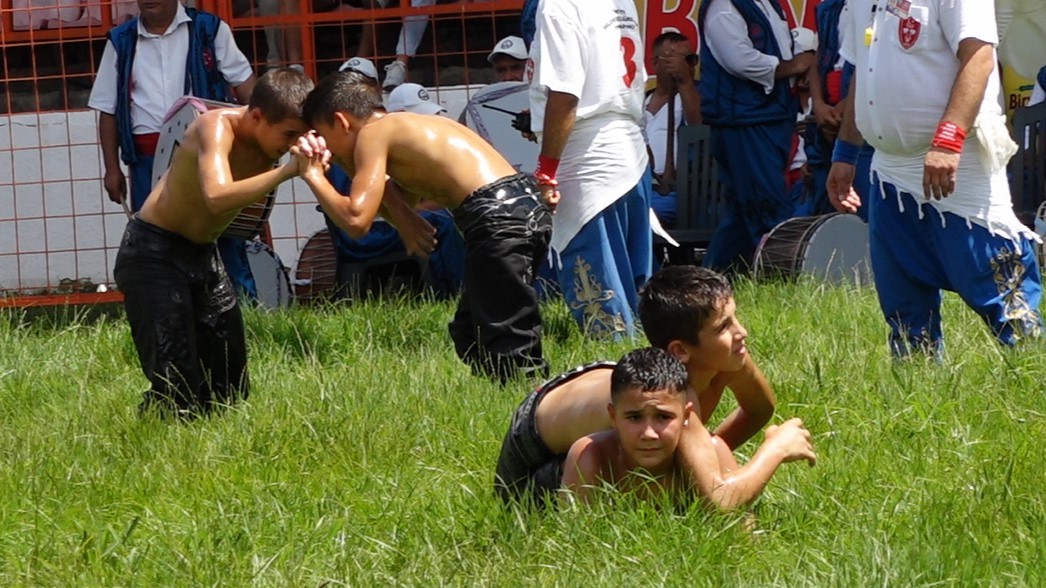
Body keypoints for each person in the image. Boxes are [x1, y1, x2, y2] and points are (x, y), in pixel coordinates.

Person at [294, 73, 553, 382]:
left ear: (341, 122)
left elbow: (356, 221)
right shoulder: (407, 129)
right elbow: (404, 205)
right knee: (471, 332)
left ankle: (537, 409)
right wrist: (402, 217)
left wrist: (312, 175)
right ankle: (504, 397)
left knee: (508, 340)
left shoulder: (373, 134)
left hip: (498, 218)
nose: (328, 150)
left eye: (323, 136)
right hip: (519, 207)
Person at [827, 0, 1043, 358]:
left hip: (960, 165)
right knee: (903, 300)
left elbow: (979, 57)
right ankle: (917, 383)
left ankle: (1034, 375)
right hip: (890, 172)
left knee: (1003, 294)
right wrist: (845, 153)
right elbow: (861, 76)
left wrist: (948, 139)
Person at [494, 265, 805, 508]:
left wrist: (702, 462)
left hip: (591, 402)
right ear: (680, 351)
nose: (741, 332)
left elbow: (759, 409)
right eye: (724, 326)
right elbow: (720, 500)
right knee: (522, 504)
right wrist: (774, 449)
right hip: (534, 438)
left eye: (734, 319)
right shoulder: (659, 395)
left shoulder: (726, 355)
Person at [113, 68, 314, 419]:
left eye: (303, 135)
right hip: (153, 255)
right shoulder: (215, 128)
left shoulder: (281, 138)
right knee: (177, 387)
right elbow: (217, 197)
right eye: (290, 134)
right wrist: (287, 171)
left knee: (229, 388)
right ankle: (148, 435)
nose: (294, 144)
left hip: (204, 254)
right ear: (256, 116)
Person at [89, 0, 261, 300]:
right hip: (147, 160)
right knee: (159, 244)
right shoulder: (121, 41)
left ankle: (248, 316)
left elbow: (245, 86)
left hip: (208, 153)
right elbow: (108, 110)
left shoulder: (210, 30)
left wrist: (262, 141)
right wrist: (112, 169)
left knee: (225, 238)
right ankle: (170, 315)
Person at [528, 0, 654, 340]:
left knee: (603, 306)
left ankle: (617, 383)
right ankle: (656, 375)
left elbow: (566, 94)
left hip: (589, 156)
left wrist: (546, 171)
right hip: (629, 146)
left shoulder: (558, 5)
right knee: (637, 296)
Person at [560, 347, 814, 507]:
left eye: (663, 417)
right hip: (542, 438)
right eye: (634, 418)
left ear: (686, 416)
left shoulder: (712, 451)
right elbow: (576, 542)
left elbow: (742, 535)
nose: (649, 433)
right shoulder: (592, 457)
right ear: (613, 417)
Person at [697, 0, 815, 275]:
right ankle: (779, 279)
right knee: (765, 203)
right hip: (745, 119)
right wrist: (794, 66)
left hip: (766, 114)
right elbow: (741, 61)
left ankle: (715, 277)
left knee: (742, 211)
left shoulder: (766, 4)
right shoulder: (724, 6)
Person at [323, 72, 465, 298]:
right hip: (372, 233)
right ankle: (452, 293)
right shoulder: (364, 144)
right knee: (443, 224)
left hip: (383, 224)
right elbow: (360, 217)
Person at [799, 0, 871, 220]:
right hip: (825, 114)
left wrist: (845, 107)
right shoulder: (828, 8)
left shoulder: (878, 7)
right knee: (825, 203)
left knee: (861, 202)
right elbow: (818, 59)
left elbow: (867, 65)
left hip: (858, 112)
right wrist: (819, 105)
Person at [643, 31, 702, 230]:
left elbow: (699, 128)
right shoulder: (642, 100)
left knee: (642, 218)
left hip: (676, 191)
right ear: (655, 62)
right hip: (640, 186)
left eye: (690, 60)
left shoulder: (697, 95)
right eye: (675, 59)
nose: (686, 66)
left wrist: (685, 82)